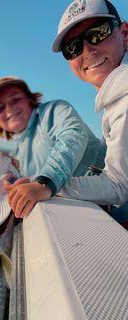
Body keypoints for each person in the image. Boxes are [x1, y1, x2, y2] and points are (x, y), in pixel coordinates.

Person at [0, 76, 105, 218]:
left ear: (30, 99)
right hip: (78, 213)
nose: (9, 108)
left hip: (113, 205)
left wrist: (44, 184)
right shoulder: (15, 153)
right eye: (0, 106)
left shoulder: (52, 111)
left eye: (15, 99)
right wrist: (8, 177)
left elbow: (73, 135)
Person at [52, 0, 128, 224]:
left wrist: (47, 183)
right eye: (72, 47)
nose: (87, 50)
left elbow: (119, 186)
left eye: (97, 33)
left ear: (124, 33)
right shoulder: (116, 95)